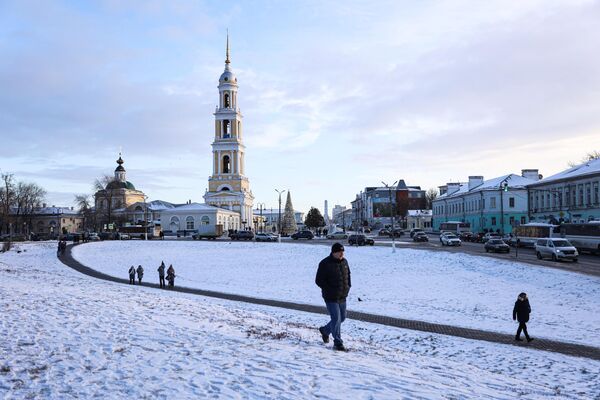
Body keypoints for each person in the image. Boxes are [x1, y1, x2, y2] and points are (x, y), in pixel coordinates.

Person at [315, 242, 351, 351]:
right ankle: (338, 343)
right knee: (336, 318)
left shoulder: (344, 262)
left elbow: (348, 275)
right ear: (333, 252)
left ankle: (325, 331)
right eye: (339, 252)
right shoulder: (325, 263)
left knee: (342, 318)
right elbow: (318, 280)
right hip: (330, 297)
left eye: (342, 251)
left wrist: (348, 286)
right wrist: (329, 289)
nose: (342, 254)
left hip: (342, 296)